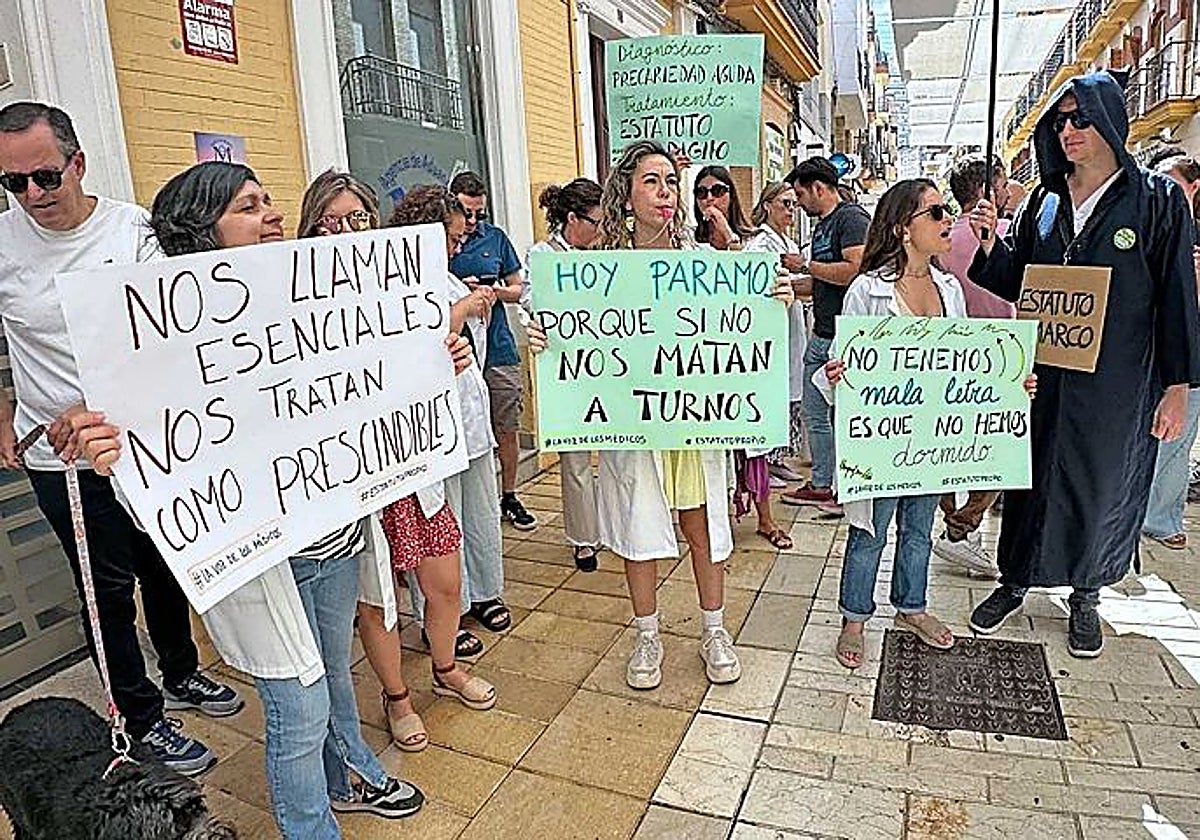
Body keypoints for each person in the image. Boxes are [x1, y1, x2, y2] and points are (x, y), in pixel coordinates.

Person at [59, 161, 451, 837]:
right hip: (261, 564)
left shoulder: (317, 307)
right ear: (202, 232)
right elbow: (157, 482)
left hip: (336, 540)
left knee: (333, 677)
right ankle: (312, 827)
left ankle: (345, 775)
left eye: (268, 200)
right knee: (296, 710)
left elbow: (372, 384)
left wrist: (436, 359)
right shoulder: (153, 351)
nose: (272, 213)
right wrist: (109, 452)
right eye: (248, 205)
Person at [0, 101, 241, 775]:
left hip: (143, 442)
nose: (31, 196)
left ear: (78, 163)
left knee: (162, 564)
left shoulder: (133, 229)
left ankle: (182, 670)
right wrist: (5, 415)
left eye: (44, 177)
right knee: (103, 590)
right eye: (11, 184)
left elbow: (162, 336)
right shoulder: (2, 244)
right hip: (62, 460)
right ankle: (139, 718)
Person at [532, 140, 792, 690]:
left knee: (704, 525)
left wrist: (770, 300)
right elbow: (569, 336)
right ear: (625, 193)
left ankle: (714, 629)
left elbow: (744, 319)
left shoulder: (706, 266)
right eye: (652, 181)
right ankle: (647, 633)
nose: (666, 192)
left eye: (673, 181)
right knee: (638, 524)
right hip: (635, 424)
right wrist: (545, 335)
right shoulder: (593, 275)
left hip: (694, 423)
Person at [966, 71, 1200, 658]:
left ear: (1110, 120)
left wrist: (1176, 388)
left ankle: (1087, 595)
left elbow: (1176, 296)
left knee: (1101, 485)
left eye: (1082, 118)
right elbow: (1020, 277)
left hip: (1118, 382)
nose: (1069, 130)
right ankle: (1014, 579)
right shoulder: (1044, 200)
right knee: (1030, 479)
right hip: (1042, 376)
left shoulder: (1157, 199)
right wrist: (991, 244)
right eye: (1062, 120)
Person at [821, 180, 1015, 668]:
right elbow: (844, 361)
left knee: (919, 529)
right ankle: (854, 615)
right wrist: (837, 372)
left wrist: (1010, 383)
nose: (949, 219)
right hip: (883, 443)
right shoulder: (868, 290)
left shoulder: (951, 288)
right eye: (936, 213)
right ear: (902, 228)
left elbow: (968, 363)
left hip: (929, 441)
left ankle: (912, 605)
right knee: (871, 532)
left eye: (946, 210)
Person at [693, 167, 792, 550]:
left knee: (755, 445)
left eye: (718, 191)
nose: (710, 200)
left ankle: (766, 519)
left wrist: (730, 238)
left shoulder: (754, 242)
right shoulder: (688, 245)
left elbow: (755, 287)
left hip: (744, 359)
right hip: (702, 360)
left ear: (731, 195)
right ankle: (708, 521)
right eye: (702, 193)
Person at [929, 155, 1014, 578]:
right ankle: (961, 529)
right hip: (1002, 357)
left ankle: (953, 520)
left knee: (950, 446)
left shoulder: (941, 239)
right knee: (999, 452)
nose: (1008, 190)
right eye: (1001, 184)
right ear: (986, 189)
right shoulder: (1008, 234)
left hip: (953, 357)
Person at [449, 171, 537, 531]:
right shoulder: (442, 239)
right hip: (459, 353)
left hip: (497, 345)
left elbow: (521, 288)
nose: (471, 222)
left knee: (506, 425)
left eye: (478, 213)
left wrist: (490, 292)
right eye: (466, 212)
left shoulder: (496, 238)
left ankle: (509, 494)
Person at [782, 157, 870, 515]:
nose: (799, 202)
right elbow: (821, 281)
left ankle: (832, 485)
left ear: (819, 188)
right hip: (823, 333)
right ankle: (825, 483)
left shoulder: (851, 219)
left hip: (839, 337)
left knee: (831, 415)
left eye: (801, 194)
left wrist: (805, 267)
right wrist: (789, 285)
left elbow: (855, 271)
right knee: (815, 413)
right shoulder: (822, 227)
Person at [527, 178, 605, 571]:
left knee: (615, 452)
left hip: (610, 368)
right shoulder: (542, 257)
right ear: (572, 218)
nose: (601, 229)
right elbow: (529, 304)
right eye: (595, 222)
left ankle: (610, 524)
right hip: (567, 371)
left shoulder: (608, 254)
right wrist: (535, 327)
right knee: (575, 459)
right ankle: (584, 538)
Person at [1141, 150, 1200, 550]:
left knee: (1176, 444)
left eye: (1172, 181)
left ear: (1194, 187)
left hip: (1190, 359)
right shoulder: (1153, 224)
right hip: (1149, 351)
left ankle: (1161, 519)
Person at [745, 181, 811, 485]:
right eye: (784, 203)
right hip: (773, 329)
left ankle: (779, 457)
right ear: (767, 204)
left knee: (791, 393)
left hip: (792, 324)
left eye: (793, 204)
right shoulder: (760, 244)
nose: (790, 210)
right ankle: (767, 461)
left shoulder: (788, 242)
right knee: (775, 392)